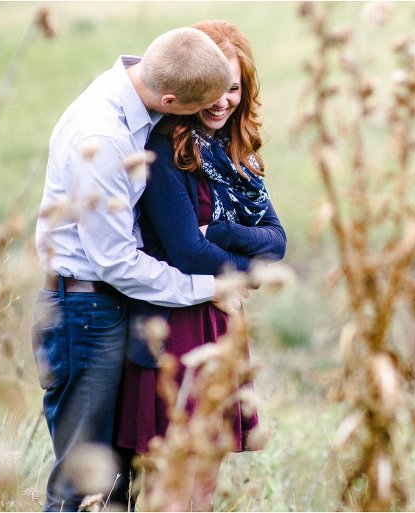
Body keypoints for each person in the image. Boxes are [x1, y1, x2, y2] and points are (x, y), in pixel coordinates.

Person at [32, 27, 244, 511]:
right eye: (195, 109)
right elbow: (116, 263)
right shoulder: (103, 137)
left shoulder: (134, 84)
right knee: (82, 481)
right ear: (169, 98)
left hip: (106, 306)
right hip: (84, 310)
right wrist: (203, 286)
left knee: (114, 484)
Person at [114, 20, 286, 511]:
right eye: (212, 87)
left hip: (221, 321)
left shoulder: (238, 158)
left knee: (206, 479)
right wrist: (246, 266)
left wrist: (225, 235)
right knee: (177, 480)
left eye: (232, 87)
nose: (220, 101)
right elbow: (188, 251)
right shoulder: (165, 149)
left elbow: (276, 244)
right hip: (175, 325)